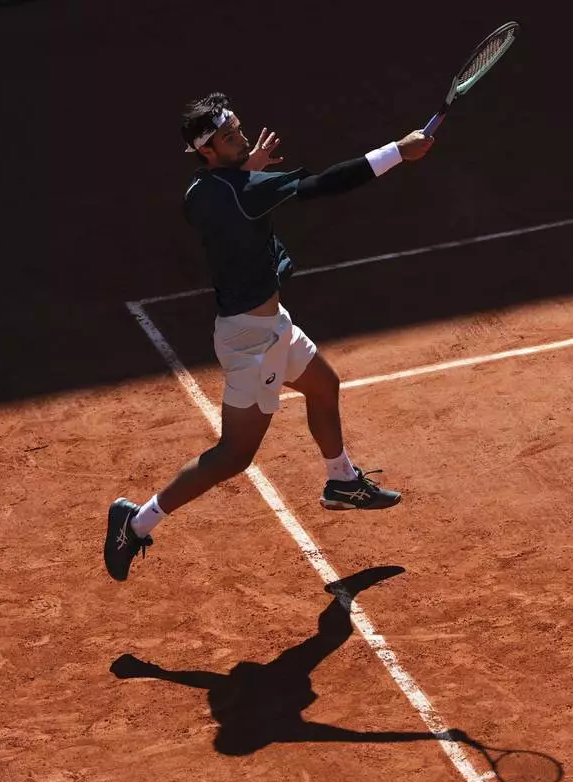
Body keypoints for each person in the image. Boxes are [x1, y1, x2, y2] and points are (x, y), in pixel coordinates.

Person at [105, 92, 434, 581]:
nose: (242, 139)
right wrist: (398, 152)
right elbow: (324, 183)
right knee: (234, 456)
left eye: (239, 130)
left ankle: (341, 480)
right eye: (229, 137)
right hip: (251, 344)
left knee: (323, 386)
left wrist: (244, 171)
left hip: (271, 326)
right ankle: (135, 523)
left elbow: (226, 198)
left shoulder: (201, 191)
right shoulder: (246, 190)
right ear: (207, 151)